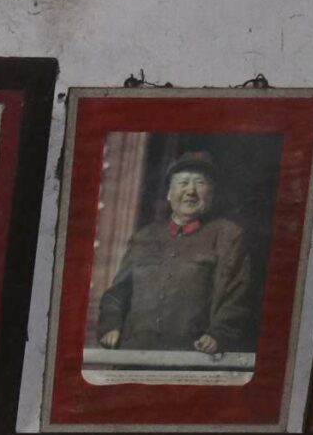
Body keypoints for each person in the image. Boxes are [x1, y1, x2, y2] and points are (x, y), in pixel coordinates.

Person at [91, 150, 254, 358]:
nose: (191, 191)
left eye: (200, 183)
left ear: (211, 193)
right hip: (134, 356)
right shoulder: (144, 237)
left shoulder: (228, 236)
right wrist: (110, 325)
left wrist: (219, 334)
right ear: (169, 193)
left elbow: (237, 296)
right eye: (183, 183)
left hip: (193, 358)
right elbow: (116, 294)